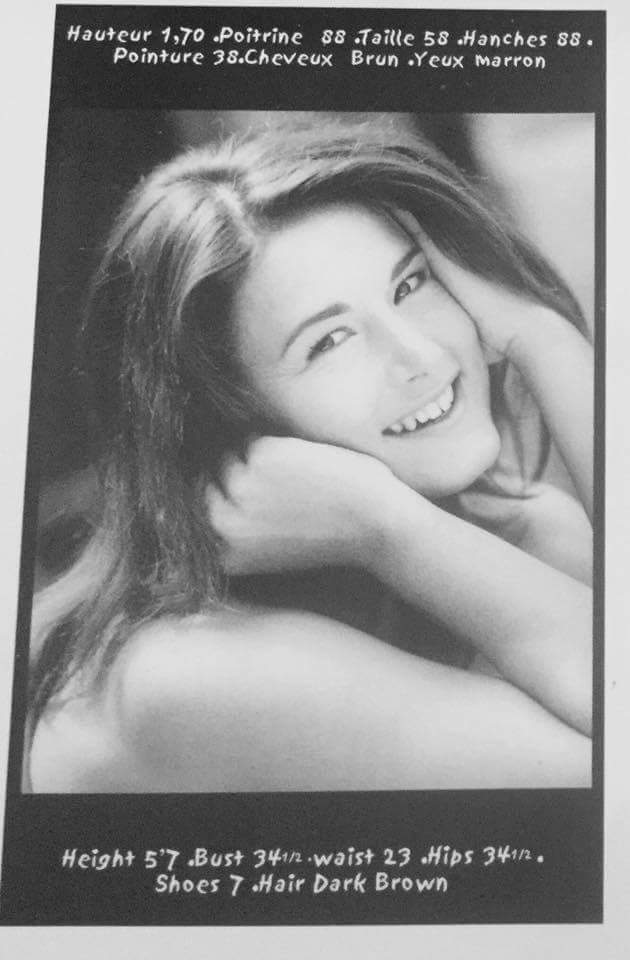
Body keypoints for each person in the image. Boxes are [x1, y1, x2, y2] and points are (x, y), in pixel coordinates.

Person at [25, 118, 594, 792]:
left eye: (411, 285)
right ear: (229, 419)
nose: (421, 356)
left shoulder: (510, 524)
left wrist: (537, 331)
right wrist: (391, 531)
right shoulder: (193, 671)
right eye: (329, 342)